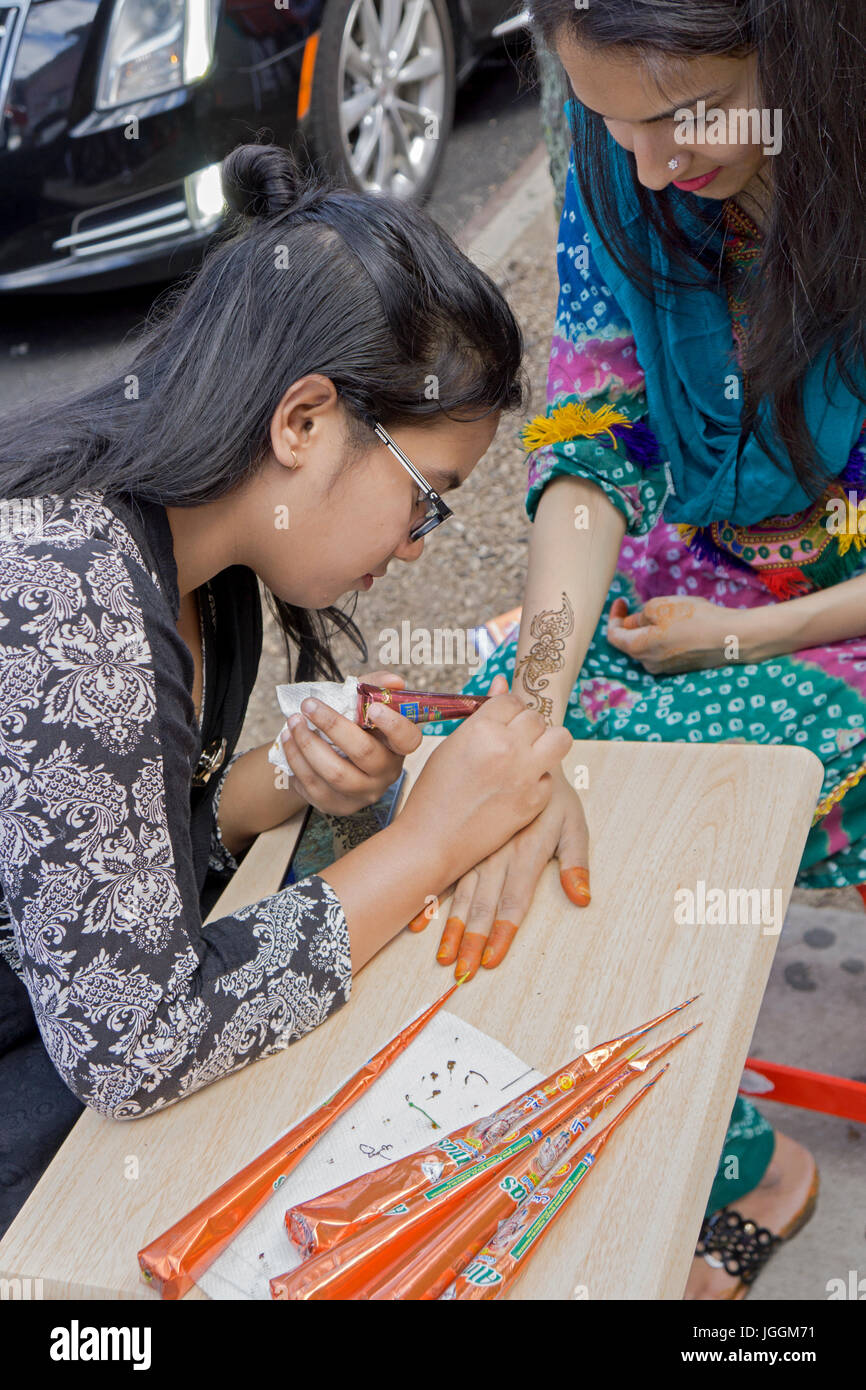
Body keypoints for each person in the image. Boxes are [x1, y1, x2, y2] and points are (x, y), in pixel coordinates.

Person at [0, 144, 575, 1239]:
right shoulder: (69, 586)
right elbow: (137, 1041)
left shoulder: (190, 560)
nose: (416, 547)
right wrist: (429, 843)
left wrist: (275, 782)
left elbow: (77, 869)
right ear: (302, 423)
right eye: (428, 498)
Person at [423, 0, 865, 1297]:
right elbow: (592, 445)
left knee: (648, 813)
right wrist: (539, 694)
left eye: (679, 116)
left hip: (819, 616)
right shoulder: (618, 162)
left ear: (802, 49)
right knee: (485, 763)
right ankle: (728, 1153)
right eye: (606, 118)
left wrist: (746, 636)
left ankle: (722, 1162)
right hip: (694, 585)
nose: (644, 164)